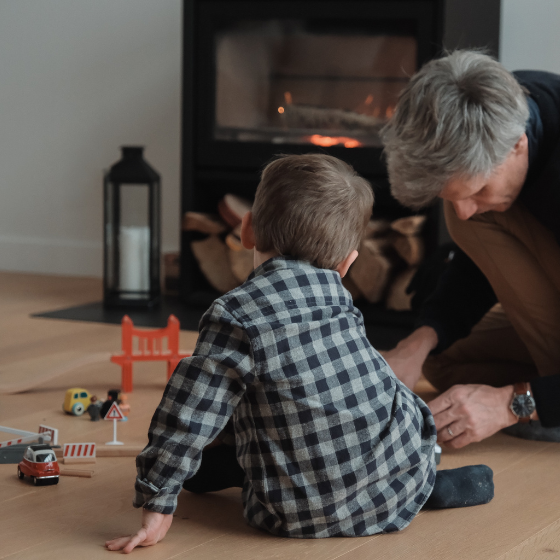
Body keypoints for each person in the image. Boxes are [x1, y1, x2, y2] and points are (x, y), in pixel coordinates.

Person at [106, 154, 492, 553]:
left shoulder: (236, 314)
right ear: (348, 263)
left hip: (294, 513)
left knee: (219, 431)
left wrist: (157, 501)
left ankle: (213, 472)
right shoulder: (340, 300)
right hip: (393, 478)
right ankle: (424, 484)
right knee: (382, 392)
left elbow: (187, 415)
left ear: (247, 229)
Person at [380, 50, 560, 449]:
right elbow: (487, 265)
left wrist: (514, 402)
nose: (462, 211)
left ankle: (547, 404)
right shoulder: (498, 108)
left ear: (518, 145)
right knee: (445, 360)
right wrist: (416, 344)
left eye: (478, 190)